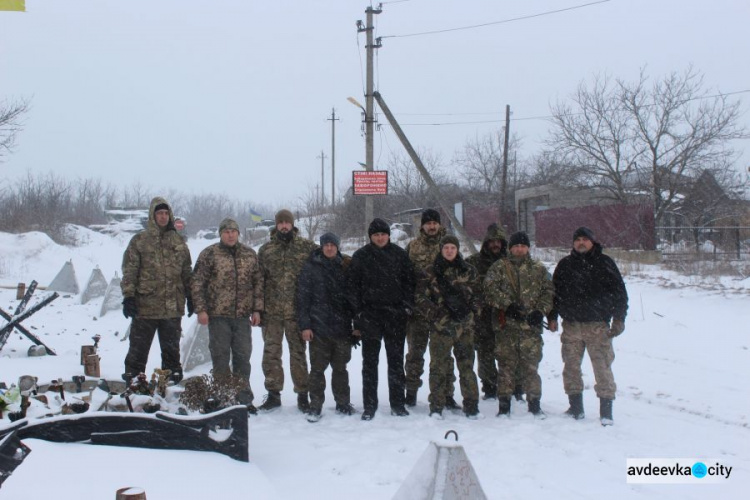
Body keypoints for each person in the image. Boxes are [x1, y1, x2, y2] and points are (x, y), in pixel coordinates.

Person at [548, 227, 628, 426]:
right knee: (571, 368)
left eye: (585, 239)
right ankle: (576, 408)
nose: (581, 243)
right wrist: (552, 316)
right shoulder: (565, 265)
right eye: (577, 240)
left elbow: (620, 293)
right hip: (572, 326)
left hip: (597, 326)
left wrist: (619, 318)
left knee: (602, 368)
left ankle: (606, 412)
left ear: (592, 241)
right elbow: (554, 294)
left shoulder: (605, 263)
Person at [192, 218, 264, 414]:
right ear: (221, 234)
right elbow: (197, 283)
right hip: (217, 316)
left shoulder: (249, 254)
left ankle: (243, 400)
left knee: (242, 358)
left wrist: (257, 310)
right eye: (226, 231)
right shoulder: (209, 254)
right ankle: (222, 397)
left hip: (242, 317)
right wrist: (201, 309)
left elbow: (258, 283)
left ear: (238, 233)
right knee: (220, 358)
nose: (230, 235)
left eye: (233, 231)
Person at [347, 218, 416, 421]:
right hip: (370, 317)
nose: (380, 238)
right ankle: (370, 405)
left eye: (383, 234)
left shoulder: (400, 255)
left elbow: (409, 283)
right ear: (370, 237)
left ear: (388, 235)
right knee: (370, 363)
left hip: (395, 316)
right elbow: (352, 288)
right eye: (376, 235)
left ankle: (398, 404)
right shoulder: (360, 256)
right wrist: (358, 314)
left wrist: (406, 306)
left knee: (395, 362)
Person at [121, 196, 192, 385]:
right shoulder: (140, 241)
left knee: (171, 353)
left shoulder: (178, 242)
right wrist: (128, 296)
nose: (163, 217)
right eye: (159, 213)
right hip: (146, 307)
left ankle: (170, 388)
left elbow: (186, 272)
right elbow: (129, 270)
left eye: (166, 213)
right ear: (152, 216)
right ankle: (134, 387)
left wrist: (191, 295)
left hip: (172, 308)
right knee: (138, 351)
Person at [484, 231, 553, 418]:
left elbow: (549, 292)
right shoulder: (499, 267)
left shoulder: (539, 269)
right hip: (506, 327)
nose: (519, 249)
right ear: (510, 248)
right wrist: (507, 306)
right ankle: (504, 406)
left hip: (530, 329)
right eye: (516, 246)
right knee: (506, 367)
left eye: (522, 246)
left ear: (528, 248)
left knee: (531, 367)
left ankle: (534, 404)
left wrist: (540, 311)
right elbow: (489, 290)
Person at [257, 209, 318, 412]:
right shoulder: (265, 250)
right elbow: (259, 281)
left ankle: (302, 395)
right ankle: (274, 394)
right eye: (280, 222)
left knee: (298, 355)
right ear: (276, 225)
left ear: (292, 224)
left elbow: (328, 256)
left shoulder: (306, 247)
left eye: (287, 222)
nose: (284, 225)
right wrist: (258, 308)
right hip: (272, 313)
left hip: (296, 312)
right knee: (271, 354)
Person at [416, 235, 481, 419]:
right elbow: (420, 297)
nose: (449, 251)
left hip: (464, 328)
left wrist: (470, 310)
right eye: (446, 248)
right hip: (440, 328)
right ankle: (436, 405)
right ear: (441, 249)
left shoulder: (469, 270)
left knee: (467, 367)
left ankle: (471, 405)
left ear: (458, 249)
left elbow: (479, 294)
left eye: (453, 248)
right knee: (438, 367)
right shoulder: (430, 271)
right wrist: (436, 313)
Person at [296, 232, 357, 422]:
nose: (329, 248)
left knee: (341, 369)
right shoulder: (311, 267)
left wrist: (356, 325)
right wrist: (305, 325)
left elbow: (355, 298)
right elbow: (302, 300)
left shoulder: (346, 266)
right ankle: (315, 405)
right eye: (326, 244)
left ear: (338, 246)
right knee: (317, 370)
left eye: (333, 244)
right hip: (318, 328)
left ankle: (343, 402)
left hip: (342, 328)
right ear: (321, 247)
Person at [404, 209, 459, 410]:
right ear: (422, 226)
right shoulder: (413, 246)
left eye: (435, 222)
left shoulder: (448, 245)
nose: (432, 226)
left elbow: (458, 274)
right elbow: (405, 275)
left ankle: (447, 394)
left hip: (443, 311)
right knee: (415, 354)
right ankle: (410, 392)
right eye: (428, 223)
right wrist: (408, 302)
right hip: (418, 310)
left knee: (444, 356)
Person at [465, 223, 508, 400]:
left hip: (505, 315)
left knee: (508, 354)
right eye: (491, 241)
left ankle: (512, 387)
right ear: (486, 243)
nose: (495, 245)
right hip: (482, 317)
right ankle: (489, 386)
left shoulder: (511, 262)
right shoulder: (473, 262)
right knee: (485, 352)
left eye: (498, 241)